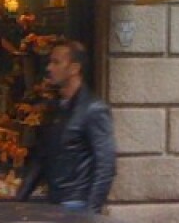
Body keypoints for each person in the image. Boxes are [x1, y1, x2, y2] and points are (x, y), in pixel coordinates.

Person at [17, 40, 117, 212]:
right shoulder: (57, 109)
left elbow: (106, 165)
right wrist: (20, 200)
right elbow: (42, 158)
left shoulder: (93, 109)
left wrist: (91, 212)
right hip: (55, 202)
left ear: (74, 68)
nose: (49, 68)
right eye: (50, 62)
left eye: (56, 62)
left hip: (76, 203)